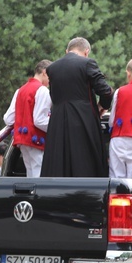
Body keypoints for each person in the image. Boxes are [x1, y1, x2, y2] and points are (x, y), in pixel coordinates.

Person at [40, 37, 113, 177]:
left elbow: (53, 95)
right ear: (86, 52)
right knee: (86, 161)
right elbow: (106, 91)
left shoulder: (52, 68)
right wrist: (101, 106)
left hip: (57, 122)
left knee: (59, 161)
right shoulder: (87, 63)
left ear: (67, 51)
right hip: (83, 119)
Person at [3, 60, 52, 177]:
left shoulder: (20, 90)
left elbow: (8, 119)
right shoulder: (43, 91)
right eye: (51, 76)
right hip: (37, 139)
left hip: (22, 139)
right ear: (45, 72)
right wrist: (57, 126)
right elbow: (39, 120)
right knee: (39, 173)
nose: (51, 81)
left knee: (30, 172)